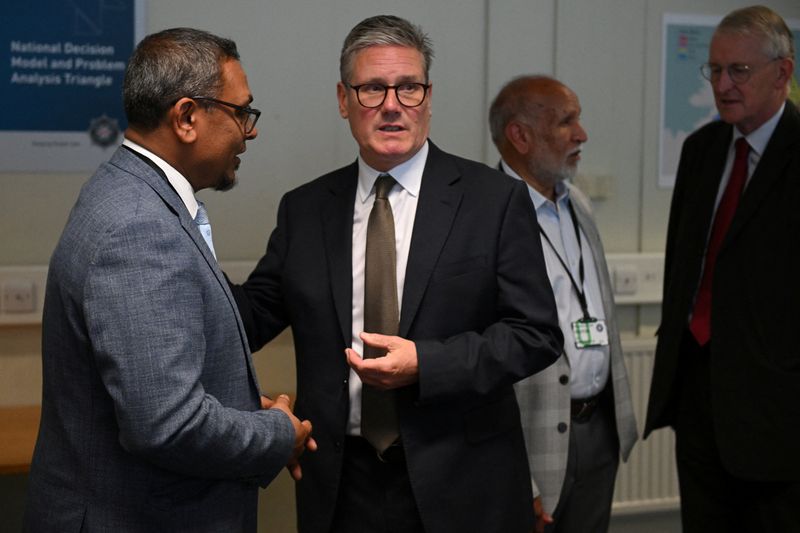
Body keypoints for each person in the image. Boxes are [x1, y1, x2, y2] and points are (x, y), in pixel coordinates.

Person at [230, 14, 563, 533]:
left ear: (428, 98)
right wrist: (181, 244)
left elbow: (536, 334)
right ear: (344, 100)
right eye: (372, 89)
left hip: (464, 481)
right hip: (341, 485)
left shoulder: (492, 201)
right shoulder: (306, 209)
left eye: (408, 87)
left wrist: (428, 364)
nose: (391, 104)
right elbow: (247, 319)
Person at [23, 28, 315, 532]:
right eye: (242, 112)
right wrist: (274, 434)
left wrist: (241, 408)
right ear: (186, 117)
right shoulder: (139, 226)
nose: (251, 131)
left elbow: (155, 383)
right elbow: (168, 425)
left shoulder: (126, 188)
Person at [644, 6, 799, 533]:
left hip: (778, 412)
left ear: (783, 72)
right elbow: (683, 265)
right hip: (698, 394)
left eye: (740, 71)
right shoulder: (702, 150)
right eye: (715, 71)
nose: (724, 85)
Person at [489, 75, 638, 533]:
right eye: (566, 122)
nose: (582, 134)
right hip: (529, 440)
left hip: (598, 430)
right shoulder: (482, 213)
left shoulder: (578, 204)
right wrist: (519, 476)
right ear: (520, 135)